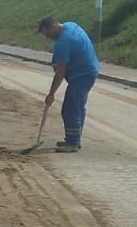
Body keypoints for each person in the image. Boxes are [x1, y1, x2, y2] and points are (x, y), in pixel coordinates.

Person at [38, 17, 99, 153]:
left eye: (48, 34)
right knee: (78, 107)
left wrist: (51, 94)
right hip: (90, 70)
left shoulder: (64, 42)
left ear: (54, 27)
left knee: (70, 108)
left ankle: (72, 143)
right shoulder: (71, 25)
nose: (48, 38)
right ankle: (75, 139)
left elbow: (60, 73)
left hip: (82, 75)